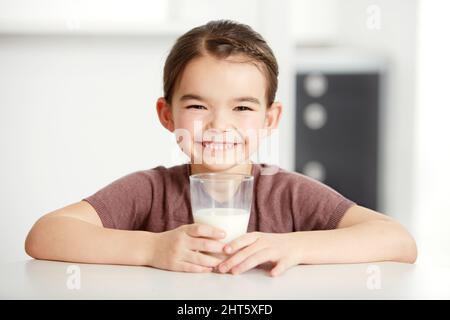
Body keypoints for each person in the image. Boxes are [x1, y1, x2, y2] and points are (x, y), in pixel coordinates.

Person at [25, 20, 417, 277]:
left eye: (243, 107)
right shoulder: (149, 191)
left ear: (270, 119)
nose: (218, 125)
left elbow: (397, 240)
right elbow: (46, 234)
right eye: (197, 106)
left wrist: (292, 245)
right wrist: (153, 248)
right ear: (166, 114)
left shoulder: (289, 194)